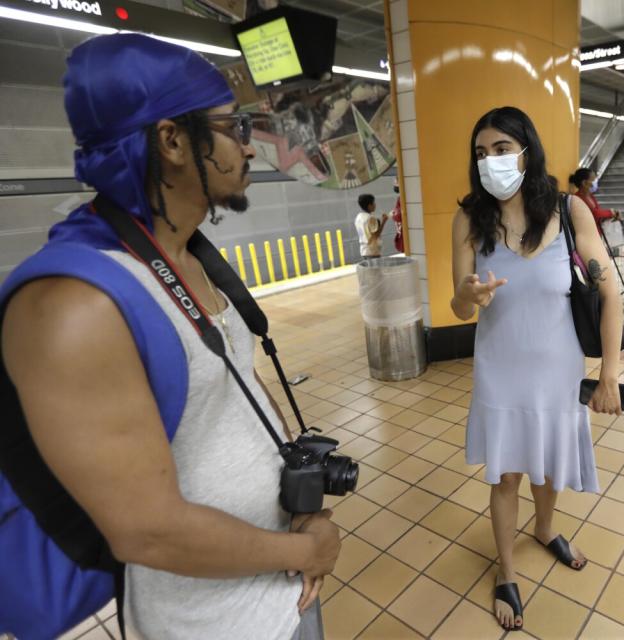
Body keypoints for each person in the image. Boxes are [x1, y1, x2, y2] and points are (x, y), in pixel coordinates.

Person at [0, 34, 340, 638]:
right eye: (233, 126)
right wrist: (304, 552)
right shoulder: (73, 309)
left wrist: (302, 511)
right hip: (208, 622)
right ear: (173, 139)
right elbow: (145, 529)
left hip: (282, 592)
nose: (249, 148)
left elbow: (232, 391)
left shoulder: (185, 254)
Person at [451, 107, 623, 631]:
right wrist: (467, 295)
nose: (491, 162)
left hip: (559, 372)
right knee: (506, 475)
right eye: (481, 154)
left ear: (527, 150)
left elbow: (610, 289)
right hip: (500, 372)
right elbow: (460, 308)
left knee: (547, 466)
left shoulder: (570, 213)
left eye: (501, 148)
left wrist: (610, 372)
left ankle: (545, 529)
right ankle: (506, 572)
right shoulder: (469, 219)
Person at [570, 167, 620, 234]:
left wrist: (613, 215)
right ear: (584, 183)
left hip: (596, 234)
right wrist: (610, 212)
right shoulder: (577, 198)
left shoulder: (590, 196)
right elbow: (593, 214)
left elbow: (598, 214)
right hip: (586, 235)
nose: (595, 182)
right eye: (593, 180)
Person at [354, 193, 388, 259]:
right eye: (373, 203)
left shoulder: (359, 217)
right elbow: (376, 234)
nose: (375, 205)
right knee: (376, 269)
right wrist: (384, 221)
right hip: (372, 251)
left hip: (364, 250)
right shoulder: (370, 218)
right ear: (369, 205)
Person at [391, 178, 404, 253]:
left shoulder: (402, 198)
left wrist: (393, 214)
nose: (394, 183)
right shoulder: (400, 198)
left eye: (396, 181)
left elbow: (398, 215)